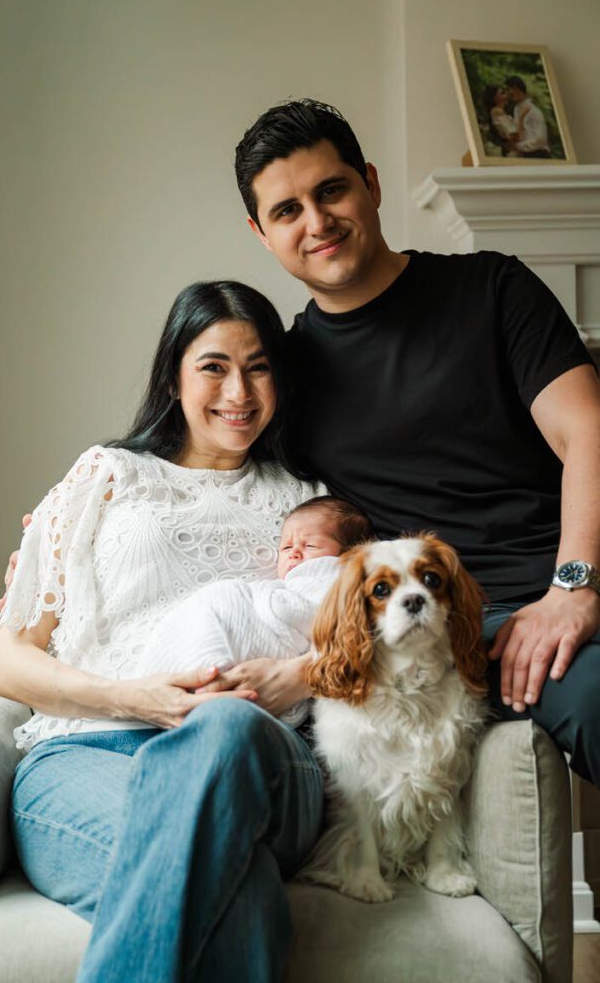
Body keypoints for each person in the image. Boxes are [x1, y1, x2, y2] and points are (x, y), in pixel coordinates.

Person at [234, 98, 600, 787]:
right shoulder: (285, 374)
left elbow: (588, 432)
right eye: (287, 211)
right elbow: (202, 468)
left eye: (331, 190)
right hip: (452, 622)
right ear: (261, 233)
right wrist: (69, 534)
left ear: (370, 184)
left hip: (573, 578)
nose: (317, 222)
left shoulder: (493, 287)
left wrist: (573, 587)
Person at [0, 280, 329, 982]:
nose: (239, 391)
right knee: (243, 897)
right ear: (173, 376)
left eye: (258, 367)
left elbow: (368, 640)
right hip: (90, 756)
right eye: (213, 367)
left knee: (224, 723)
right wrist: (136, 698)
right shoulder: (106, 476)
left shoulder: (310, 503)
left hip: (261, 759)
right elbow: (6, 664)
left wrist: (295, 676)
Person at [136, 496, 373, 727]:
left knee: (223, 601)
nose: (294, 552)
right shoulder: (288, 585)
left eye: (309, 545)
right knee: (215, 603)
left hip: (276, 667)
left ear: (348, 556)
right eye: (286, 547)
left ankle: (201, 680)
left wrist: (266, 597)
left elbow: (309, 615)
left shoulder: (333, 581)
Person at [504, 75, 552, 157]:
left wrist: (518, 146)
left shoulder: (534, 111)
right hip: (525, 153)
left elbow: (541, 140)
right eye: (509, 89)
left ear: (519, 89)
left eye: (513, 89)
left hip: (539, 154)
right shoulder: (517, 109)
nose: (510, 92)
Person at [483, 83, 524, 156]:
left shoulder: (499, 112)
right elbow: (512, 135)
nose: (506, 95)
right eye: (502, 93)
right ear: (494, 98)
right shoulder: (497, 111)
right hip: (508, 152)